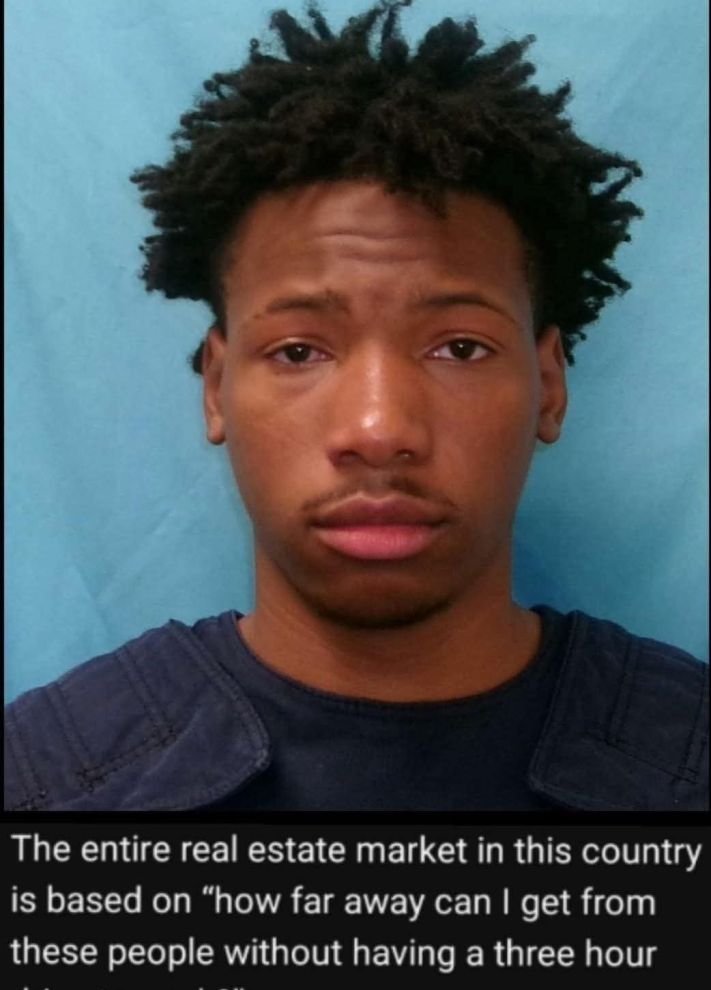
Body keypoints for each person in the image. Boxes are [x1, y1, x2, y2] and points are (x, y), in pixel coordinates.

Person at [4, 0, 707, 812]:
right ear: (215, 388)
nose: (378, 431)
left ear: (548, 386)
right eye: (298, 351)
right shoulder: (44, 786)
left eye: (459, 348)